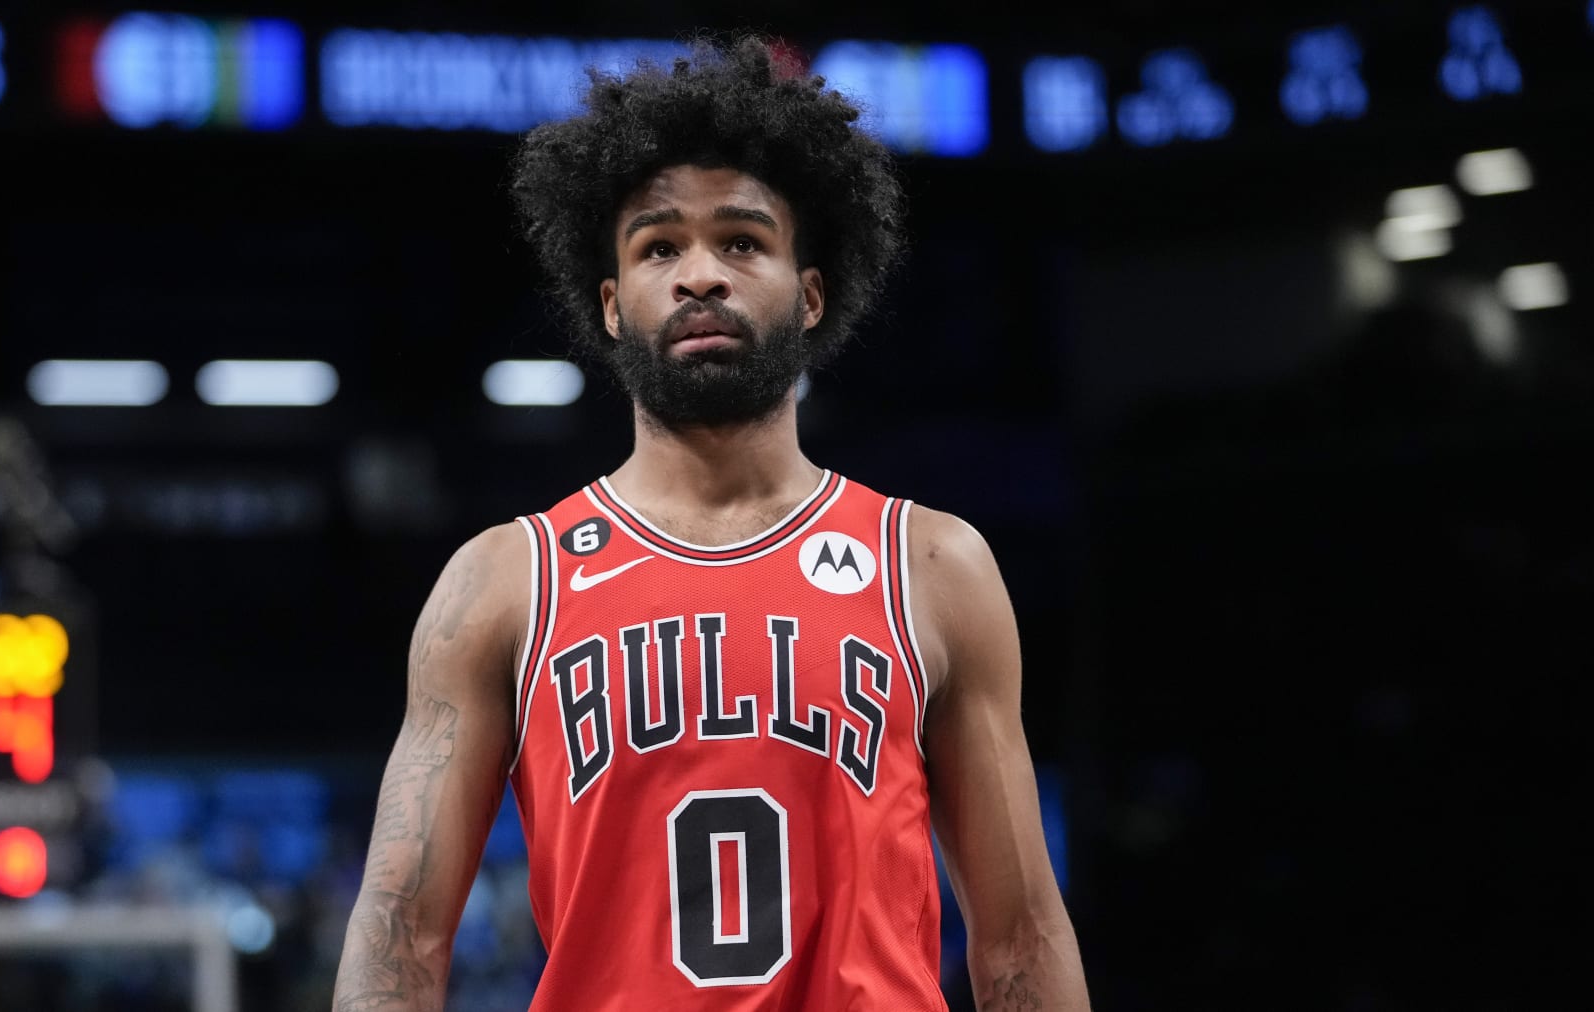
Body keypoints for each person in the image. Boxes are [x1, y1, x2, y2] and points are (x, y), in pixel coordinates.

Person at [333, 35, 1089, 1012]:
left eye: (741, 241)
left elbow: (1020, 936)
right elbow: (400, 935)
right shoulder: (504, 582)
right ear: (611, 305)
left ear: (809, 293)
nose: (700, 275)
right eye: (659, 246)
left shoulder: (931, 565)